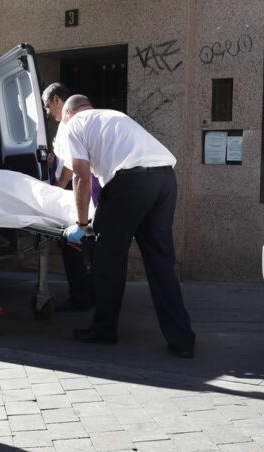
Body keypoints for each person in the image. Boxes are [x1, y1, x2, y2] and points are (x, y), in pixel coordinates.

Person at [57, 95, 195, 358]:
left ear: (68, 113)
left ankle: (104, 330)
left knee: (108, 259)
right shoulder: (113, 114)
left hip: (130, 182)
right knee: (160, 263)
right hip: (165, 179)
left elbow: (81, 177)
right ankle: (182, 340)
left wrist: (82, 224)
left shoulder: (74, 125)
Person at [41, 82, 95, 311]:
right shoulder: (74, 123)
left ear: (56, 101)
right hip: (80, 192)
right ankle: (85, 293)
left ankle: (81, 296)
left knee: (72, 243)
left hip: (74, 195)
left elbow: (74, 166)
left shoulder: (68, 123)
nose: (47, 112)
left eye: (46, 106)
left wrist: (58, 186)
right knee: (80, 246)